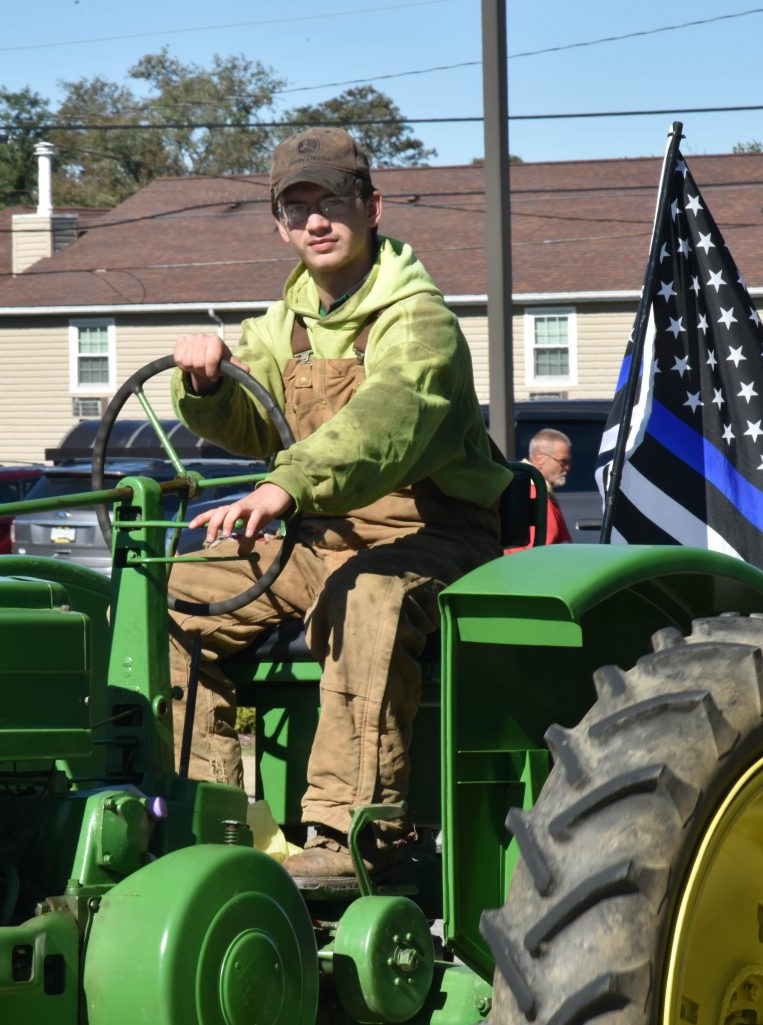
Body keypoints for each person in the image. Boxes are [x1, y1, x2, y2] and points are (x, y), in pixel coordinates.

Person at [165, 127, 510, 880]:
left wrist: (285, 484)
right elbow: (249, 421)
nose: (315, 222)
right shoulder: (280, 325)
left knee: (369, 599)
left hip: (434, 533)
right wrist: (206, 384)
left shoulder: (420, 321)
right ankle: (208, 815)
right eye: (297, 207)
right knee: (179, 595)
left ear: (372, 205)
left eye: (332, 202)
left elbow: (384, 423)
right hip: (317, 537)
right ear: (280, 224)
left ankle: (351, 835)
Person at [506, 429, 573, 551]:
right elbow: (541, 556)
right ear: (540, 459)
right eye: (563, 461)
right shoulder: (536, 497)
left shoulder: (525, 491)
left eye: (569, 462)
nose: (568, 468)